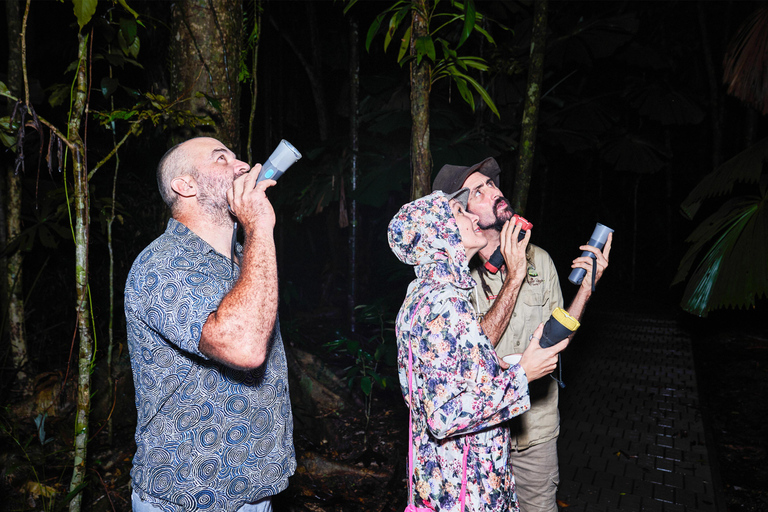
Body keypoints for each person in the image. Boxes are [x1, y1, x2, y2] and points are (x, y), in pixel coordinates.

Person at [125, 137, 295, 512]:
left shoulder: (242, 261)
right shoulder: (162, 264)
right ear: (185, 186)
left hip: (252, 490)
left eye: (237, 157)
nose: (241, 166)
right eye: (222, 159)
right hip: (188, 494)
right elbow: (244, 348)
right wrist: (260, 227)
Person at [432, 158, 611, 512]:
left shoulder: (539, 259)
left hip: (534, 432)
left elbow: (558, 338)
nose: (494, 192)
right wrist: (512, 278)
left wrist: (586, 290)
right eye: (478, 192)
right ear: (462, 215)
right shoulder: (452, 276)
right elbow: (468, 356)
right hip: (479, 436)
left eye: (492, 184)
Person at [387, 189, 569, 512]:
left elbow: (452, 376)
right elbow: (445, 415)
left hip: (462, 484)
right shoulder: (443, 304)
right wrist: (522, 374)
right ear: (438, 232)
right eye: (460, 211)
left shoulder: (428, 294)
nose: (473, 217)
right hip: (463, 494)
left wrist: (496, 364)